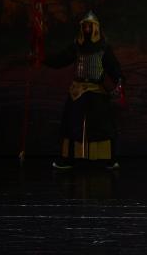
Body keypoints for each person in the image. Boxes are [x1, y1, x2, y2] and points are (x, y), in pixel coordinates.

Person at [46, 11, 123, 170]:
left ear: (95, 28)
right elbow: (60, 60)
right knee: (71, 124)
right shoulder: (76, 46)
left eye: (90, 26)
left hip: (97, 90)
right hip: (78, 90)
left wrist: (119, 80)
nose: (87, 29)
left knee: (103, 125)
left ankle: (108, 159)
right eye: (85, 26)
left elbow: (113, 66)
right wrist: (43, 58)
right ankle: (67, 159)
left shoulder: (103, 48)